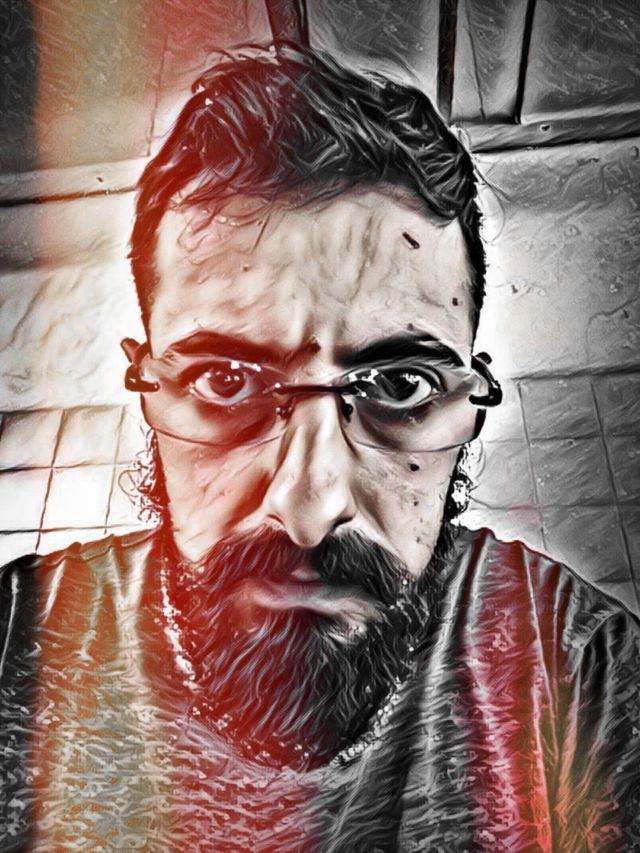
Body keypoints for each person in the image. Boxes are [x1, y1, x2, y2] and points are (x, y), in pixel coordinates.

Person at [1, 42, 639, 852]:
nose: (308, 507)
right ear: (147, 383)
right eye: (224, 380)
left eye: (400, 384)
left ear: (470, 396)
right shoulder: (16, 643)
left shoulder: (580, 669)